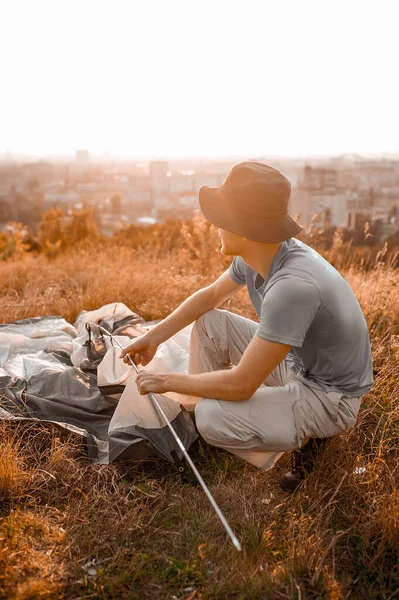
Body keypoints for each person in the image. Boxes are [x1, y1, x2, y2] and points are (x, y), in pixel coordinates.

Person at [120, 162, 373, 492]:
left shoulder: (291, 288)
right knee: (212, 323)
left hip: (329, 397)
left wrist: (166, 381)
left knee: (212, 416)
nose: (215, 227)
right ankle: (228, 423)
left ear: (243, 228)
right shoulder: (263, 252)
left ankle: (307, 438)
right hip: (300, 365)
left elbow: (241, 384)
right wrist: (153, 337)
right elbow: (210, 296)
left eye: (221, 219)